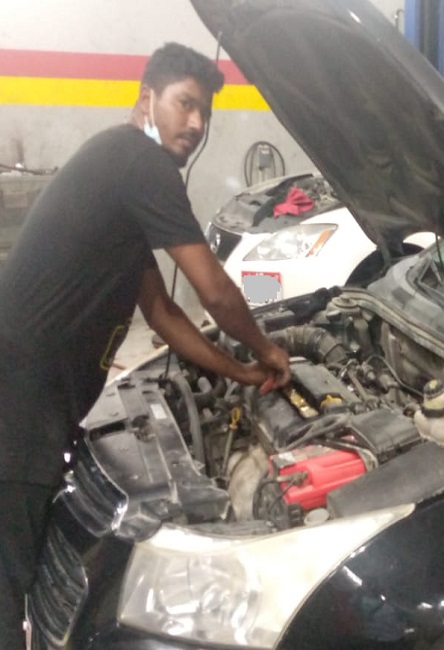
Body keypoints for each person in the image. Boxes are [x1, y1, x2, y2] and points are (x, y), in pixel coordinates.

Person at [0, 42, 291, 648]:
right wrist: (266, 349)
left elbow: (163, 314)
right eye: (185, 103)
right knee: (8, 580)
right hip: (17, 408)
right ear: (146, 99)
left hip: (32, 399)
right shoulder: (142, 163)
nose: (196, 122)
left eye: (204, 111)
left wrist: (238, 372)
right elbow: (214, 291)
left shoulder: (121, 166)